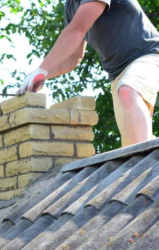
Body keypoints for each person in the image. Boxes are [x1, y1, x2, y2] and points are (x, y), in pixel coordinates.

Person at [16, 0, 159, 147]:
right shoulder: (71, 6)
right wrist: (42, 74)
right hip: (119, 74)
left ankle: (145, 154)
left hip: (149, 54)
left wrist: (42, 68)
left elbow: (77, 30)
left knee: (128, 91)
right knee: (132, 145)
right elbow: (73, 58)